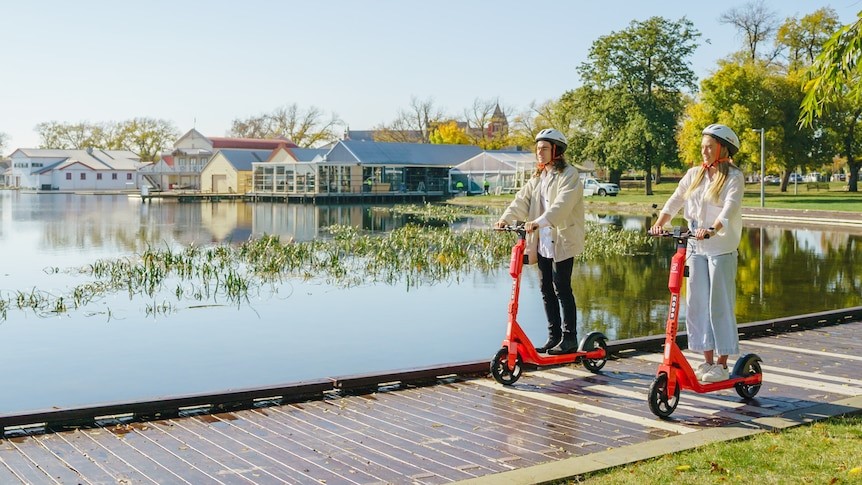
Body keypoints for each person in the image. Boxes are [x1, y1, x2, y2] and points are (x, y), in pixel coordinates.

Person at [648, 123, 744, 383]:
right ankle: (707, 361)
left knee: (719, 305)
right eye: (702, 147)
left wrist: (713, 228)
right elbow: (676, 199)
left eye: (709, 147)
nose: (704, 151)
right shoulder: (694, 174)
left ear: (723, 148)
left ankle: (723, 364)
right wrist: (661, 222)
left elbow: (729, 209)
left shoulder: (733, 177)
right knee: (697, 304)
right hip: (695, 247)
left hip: (720, 248)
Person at [494, 129, 585, 354]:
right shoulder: (538, 177)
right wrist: (505, 219)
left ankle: (570, 338)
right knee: (546, 288)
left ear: (556, 150)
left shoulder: (569, 175)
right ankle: (553, 337)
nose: (539, 153)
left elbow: (562, 205)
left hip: (560, 238)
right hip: (541, 240)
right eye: (537, 149)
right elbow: (521, 199)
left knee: (562, 287)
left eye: (544, 148)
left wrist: (539, 221)